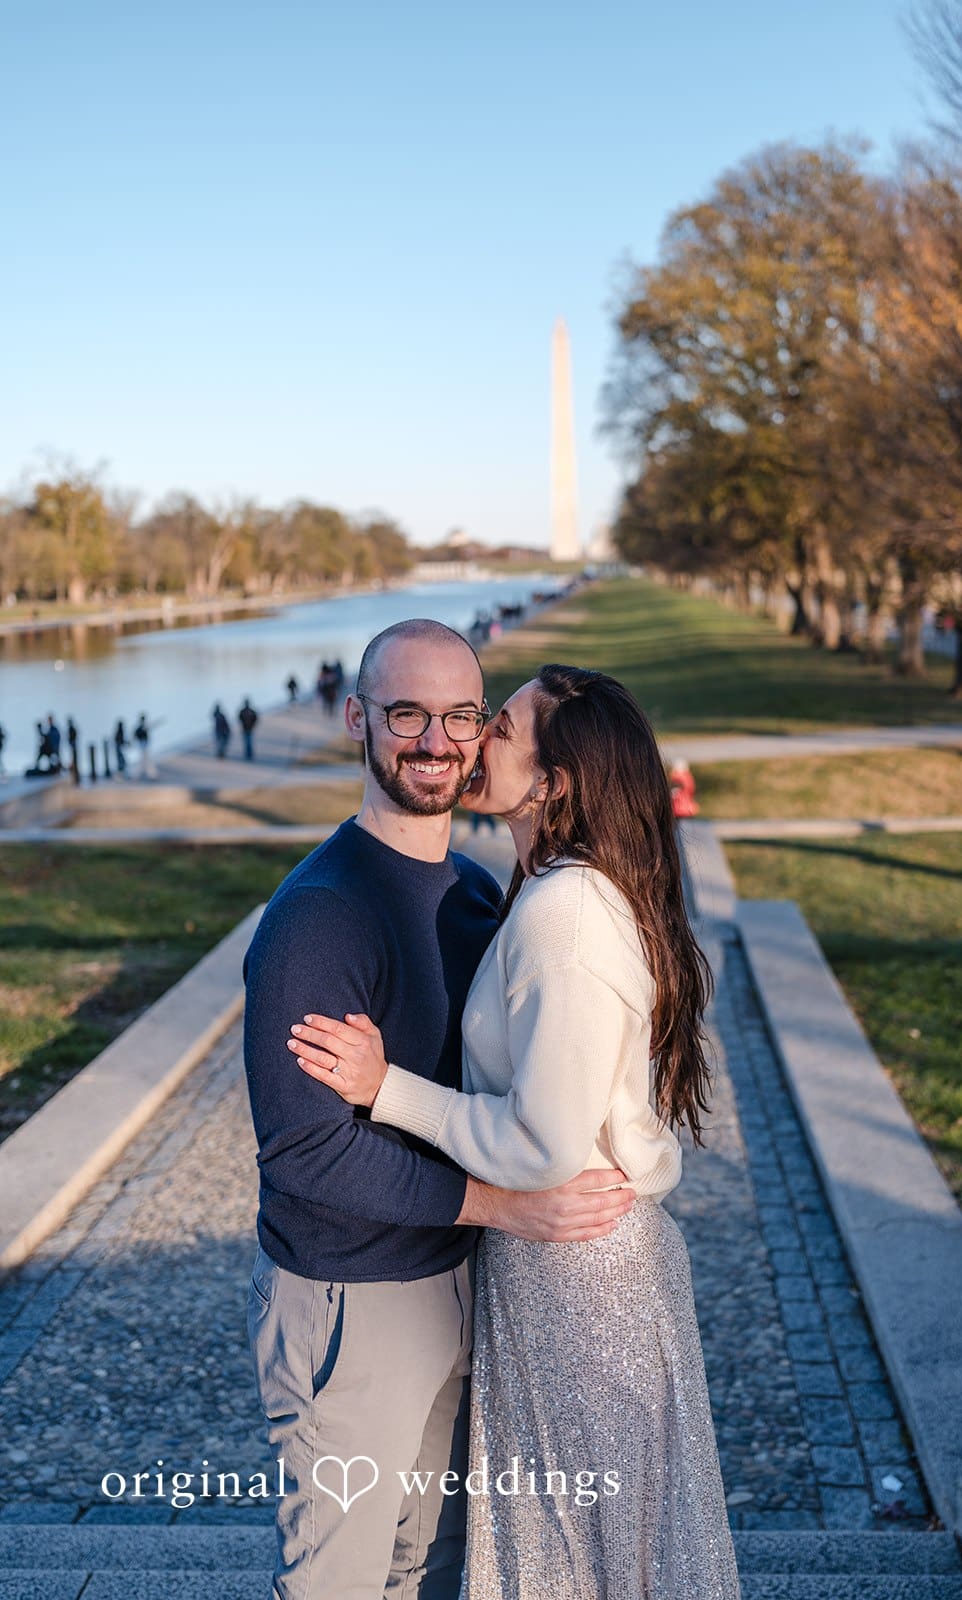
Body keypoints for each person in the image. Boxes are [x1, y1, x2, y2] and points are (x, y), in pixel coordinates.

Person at [290, 664, 741, 1599]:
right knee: (598, 1547)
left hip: (579, 1280)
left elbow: (542, 1146)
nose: (473, 737)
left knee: (578, 1547)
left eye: (499, 725)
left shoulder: (566, 914)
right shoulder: (554, 889)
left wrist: (387, 1090)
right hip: (573, 1268)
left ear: (554, 782)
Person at [243, 622, 634, 1600]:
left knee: (429, 1570)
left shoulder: (471, 891)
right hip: (351, 1301)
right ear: (357, 719)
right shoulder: (321, 916)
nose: (435, 741)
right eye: (407, 713)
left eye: (462, 715)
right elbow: (305, 1152)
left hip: (459, 1285)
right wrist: (506, 1206)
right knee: (338, 1580)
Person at [133, 713, 152, 779]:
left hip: (144, 746)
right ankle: (137, 774)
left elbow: (146, 737)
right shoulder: (139, 728)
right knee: (143, 760)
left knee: (145, 760)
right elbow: (136, 736)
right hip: (142, 746)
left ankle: (149, 774)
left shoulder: (144, 727)